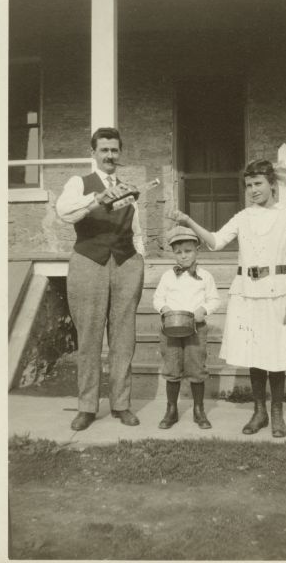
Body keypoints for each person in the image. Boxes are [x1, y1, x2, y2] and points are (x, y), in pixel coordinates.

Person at [169, 159, 286, 438]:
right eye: (248, 185)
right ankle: (260, 412)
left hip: (279, 292)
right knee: (255, 353)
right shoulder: (243, 217)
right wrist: (188, 221)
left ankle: (278, 413)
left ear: (272, 184)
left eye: (258, 184)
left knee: (277, 355)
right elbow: (215, 241)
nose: (253, 190)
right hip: (247, 291)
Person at [56, 127, 145, 430]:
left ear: (120, 153)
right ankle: (87, 407)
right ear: (93, 152)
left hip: (125, 262)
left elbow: (137, 229)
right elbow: (65, 212)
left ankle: (121, 404)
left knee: (124, 337)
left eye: (114, 150)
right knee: (89, 336)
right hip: (88, 261)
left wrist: (138, 258)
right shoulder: (79, 183)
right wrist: (96, 199)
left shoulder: (127, 187)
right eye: (104, 150)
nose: (110, 155)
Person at [153, 225, 221, 429]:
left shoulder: (205, 276)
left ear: (197, 251)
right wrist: (163, 308)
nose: (183, 256)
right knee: (172, 367)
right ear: (174, 254)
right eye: (178, 252)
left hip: (196, 329)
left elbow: (215, 299)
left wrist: (204, 310)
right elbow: (157, 298)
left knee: (196, 368)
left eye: (188, 251)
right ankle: (171, 410)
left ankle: (198, 410)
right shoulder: (168, 276)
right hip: (170, 329)